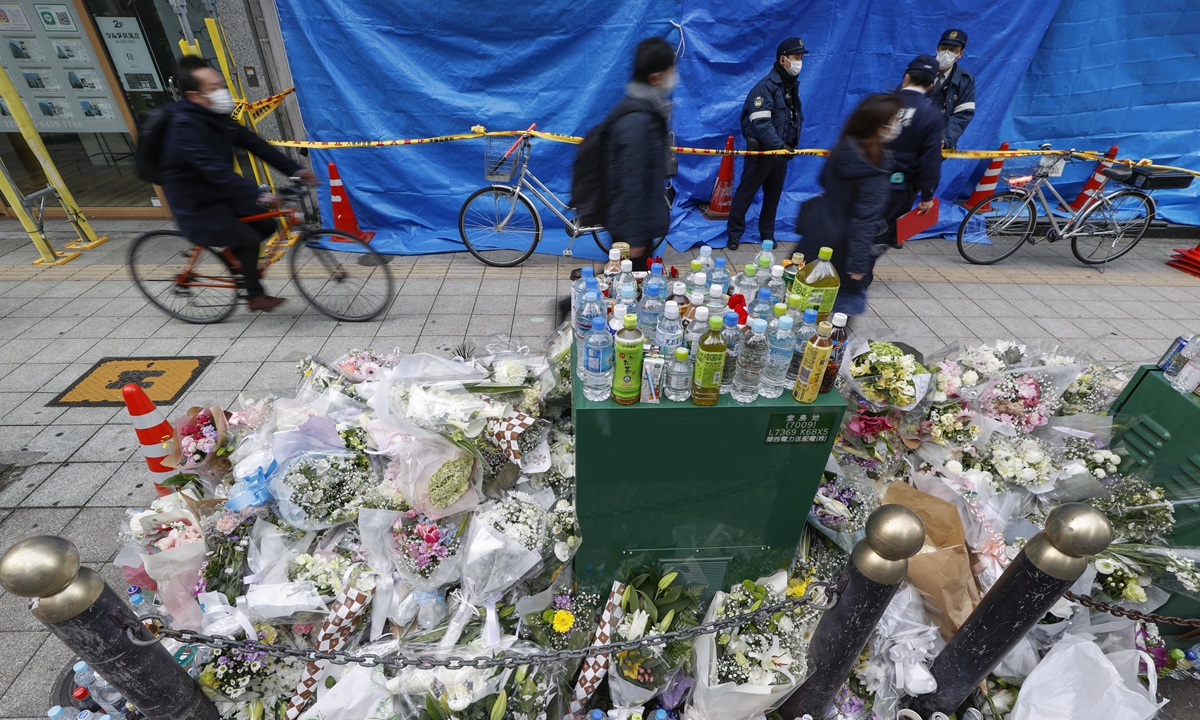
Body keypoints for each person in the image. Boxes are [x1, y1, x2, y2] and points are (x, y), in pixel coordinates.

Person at [158, 55, 314, 310]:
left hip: (222, 192)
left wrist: (297, 170)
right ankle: (254, 295)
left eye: (221, 85)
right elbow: (215, 169)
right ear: (194, 96)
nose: (222, 92)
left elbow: (255, 144)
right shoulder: (183, 127)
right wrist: (260, 195)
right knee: (249, 239)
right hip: (195, 202)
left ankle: (237, 264)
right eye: (213, 88)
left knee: (266, 223)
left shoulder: (217, 117)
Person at [794, 94, 902, 316]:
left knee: (802, 303)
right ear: (878, 125)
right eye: (894, 119)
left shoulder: (845, 148)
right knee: (837, 322)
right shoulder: (875, 168)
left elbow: (824, 181)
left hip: (817, 236)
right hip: (845, 252)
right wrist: (858, 266)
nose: (897, 124)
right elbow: (864, 220)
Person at [726, 37, 807, 251]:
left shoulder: (790, 89)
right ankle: (734, 235)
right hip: (761, 152)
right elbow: (761, 124)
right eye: (796, 57)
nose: (799, 62)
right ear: (782, 60)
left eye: (800, 58)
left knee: (773, 198)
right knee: (745, 194)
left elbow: (792, 119)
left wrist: (787, 146)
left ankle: (767, 235)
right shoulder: (764, 88)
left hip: (780, 153)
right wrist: (779, 145)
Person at [602, 37, 675, 271]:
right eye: (670, 70)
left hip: (637, 220)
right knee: (625, 283)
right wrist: (632, 238)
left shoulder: (647, 108)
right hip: (632, 224)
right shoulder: (638, 120)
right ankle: (569, 304)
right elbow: (630, 181)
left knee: (625, 283)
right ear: (655, 77)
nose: (674, 75)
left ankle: (572, 303)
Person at [881, 55, 946, 248]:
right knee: (883, 233)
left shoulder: (882, 103)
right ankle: (858, 273)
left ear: (906, 78)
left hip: (867, 178)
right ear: (930, 85)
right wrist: (927, 196)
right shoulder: (931, 114)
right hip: (900, 186)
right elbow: (930, 160)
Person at [930, 29, 975, 149]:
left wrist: (944, 139)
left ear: (960, 54)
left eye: (952, 51)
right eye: (943, 48)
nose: (946, 53)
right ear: (937, 48)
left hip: (936, 143)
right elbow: (900, 100)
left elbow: (963, 114)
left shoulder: (965, 80)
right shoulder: (920, 69)